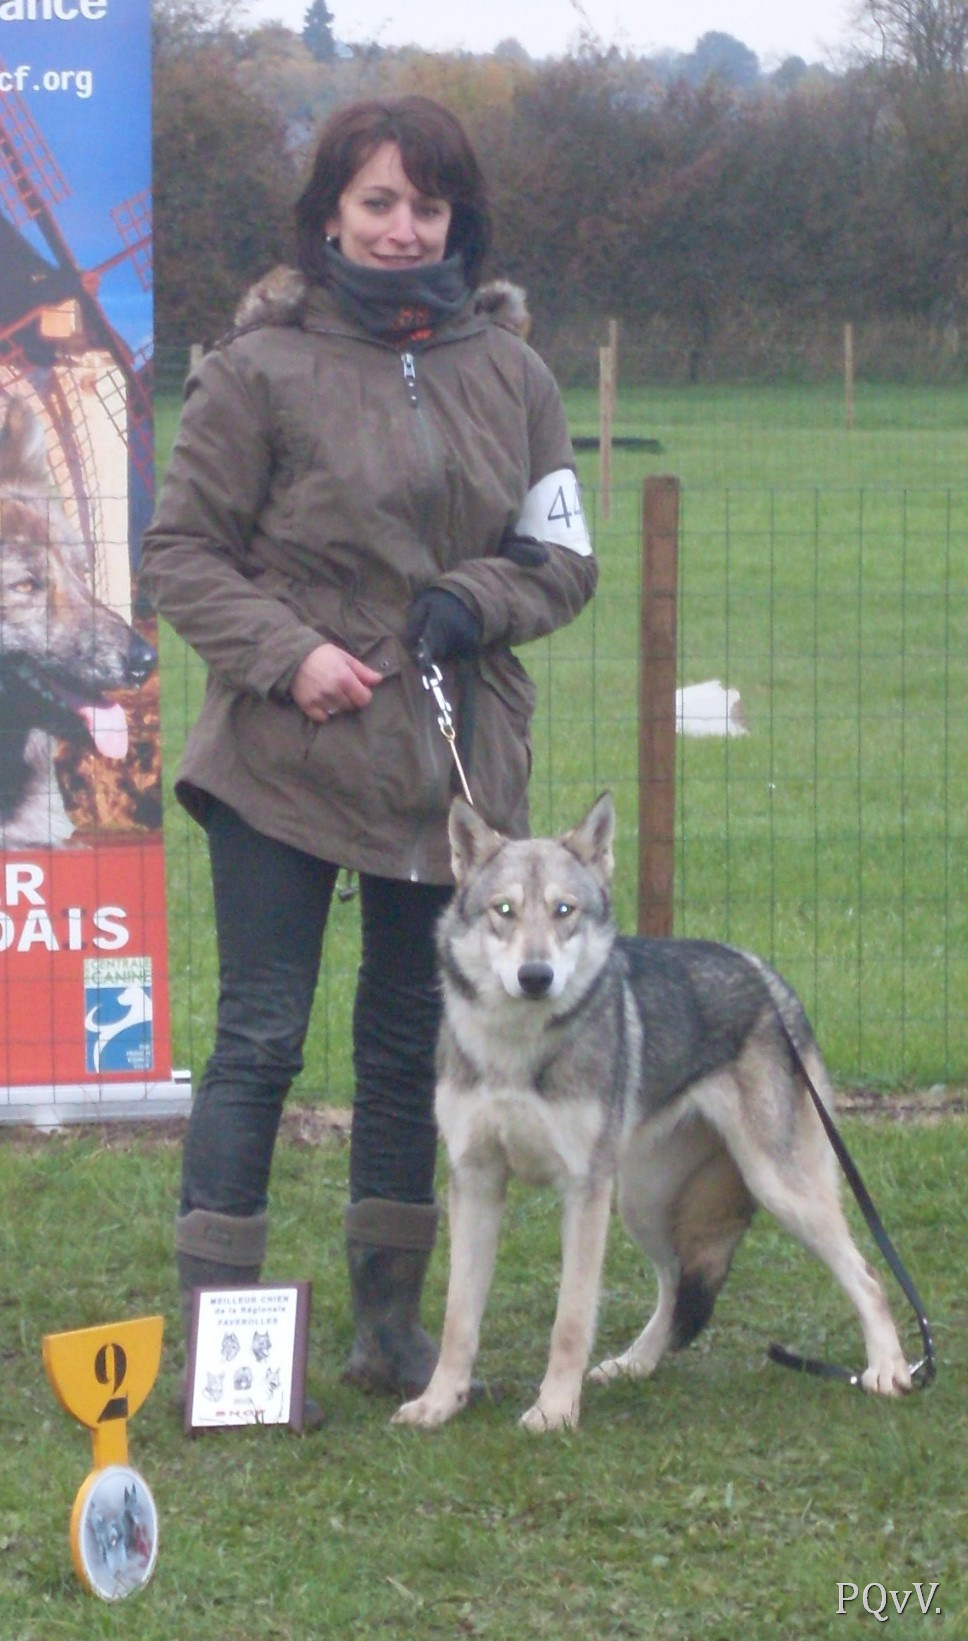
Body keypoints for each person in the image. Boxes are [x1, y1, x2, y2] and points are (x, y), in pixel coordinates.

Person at [140, 95, 597, 1403]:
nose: (402, 229)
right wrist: (290, 652)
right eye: (377, 202)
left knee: (410, 1045)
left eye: (427, 205)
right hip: (281, 760)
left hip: (446, 780)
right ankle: (220, 1337)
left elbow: (562, 558)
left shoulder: (516, 376)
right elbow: (181, 553)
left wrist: (480, 600)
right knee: (262, 1038)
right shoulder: (257, 367)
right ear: (331, 211)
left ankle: (389, 1324)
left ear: (460, 219)